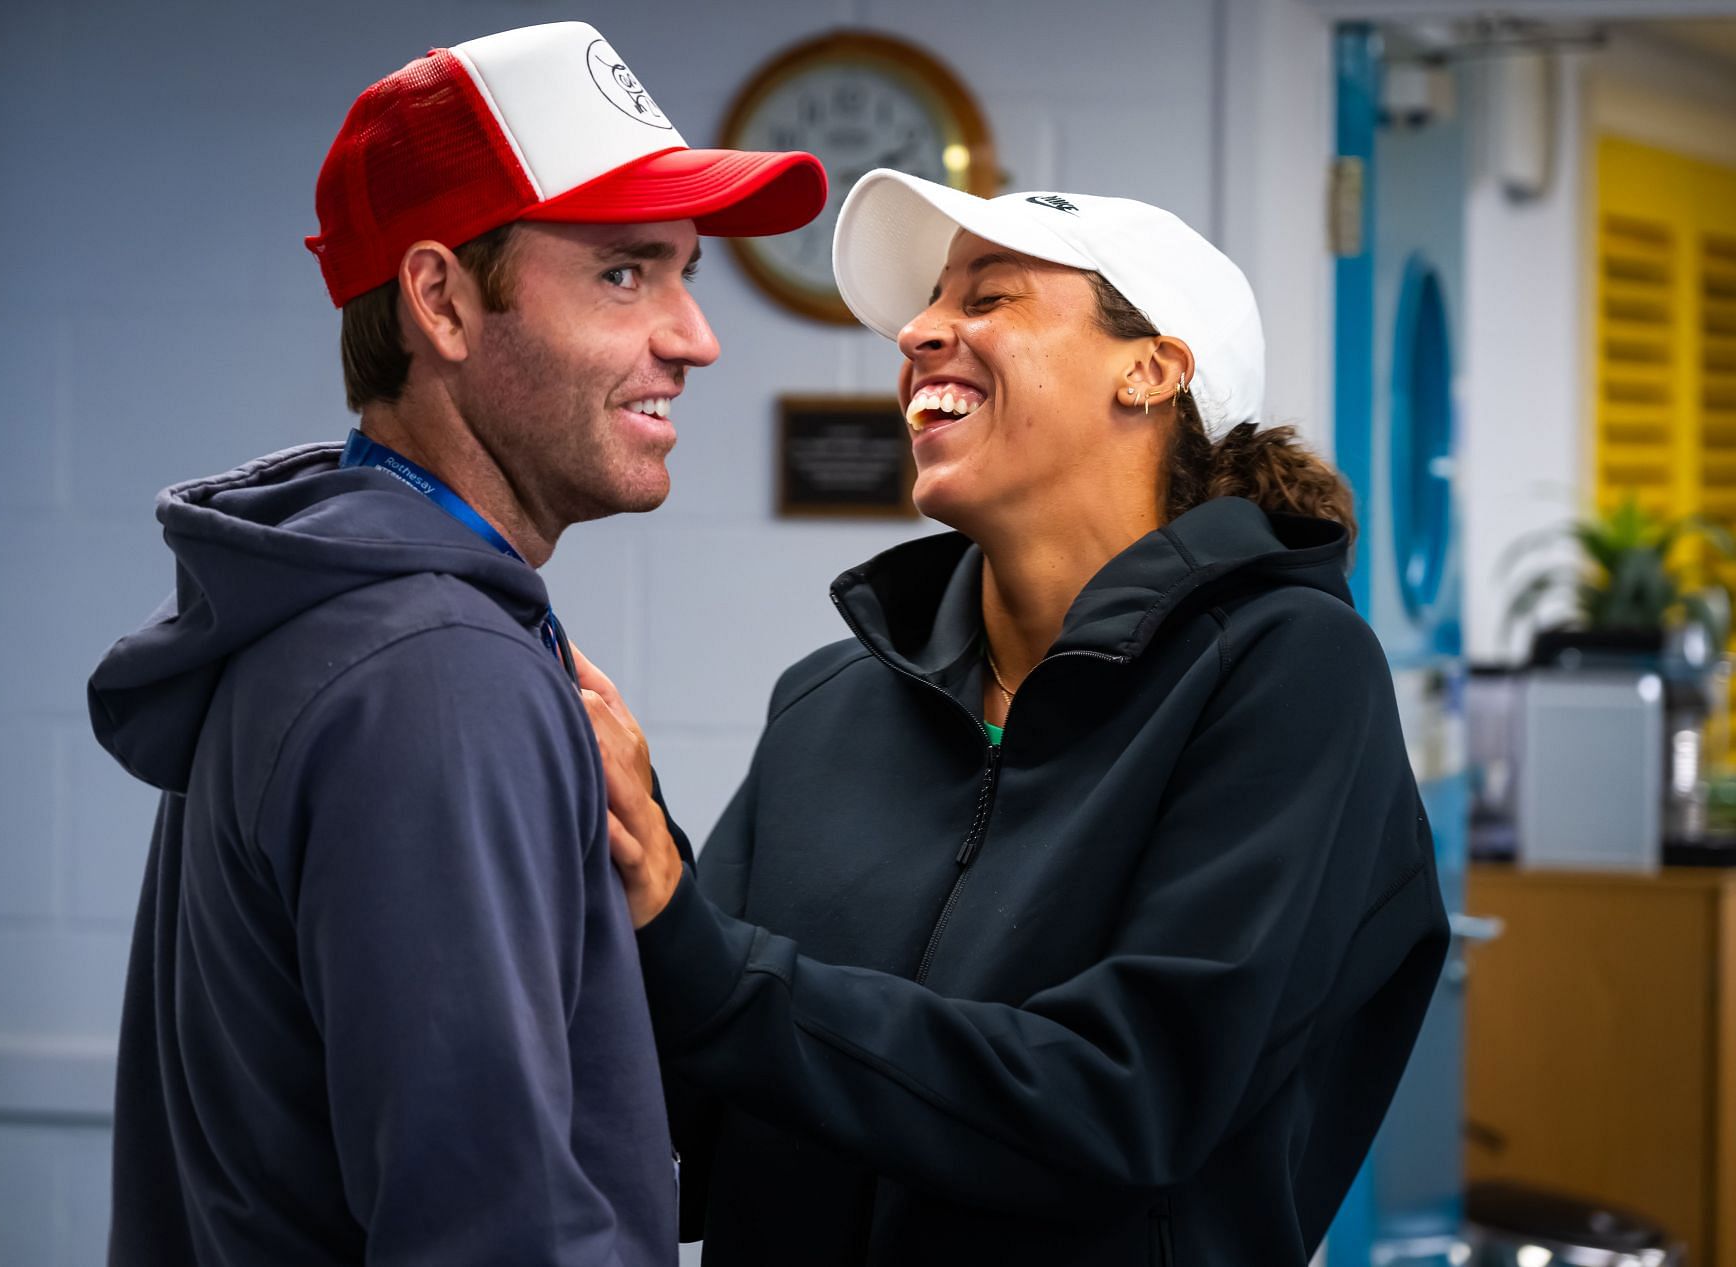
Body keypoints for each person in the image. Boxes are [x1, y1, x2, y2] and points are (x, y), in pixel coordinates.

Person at [578, 171, 1451, 1265]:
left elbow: (1128, 1101)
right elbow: (701, 1090)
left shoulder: (1288, 677)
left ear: (1151, 369)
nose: (921, 330)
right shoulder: (827, 702)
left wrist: (704, 955)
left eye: (988, 298)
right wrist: (616, 858)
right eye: (931, 302)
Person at [85, 22, 824, 1266]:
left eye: (686, 272)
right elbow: (491, 1234)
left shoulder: (335, 609)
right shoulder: (432, 672)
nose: (696, 338)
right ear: (439, 301)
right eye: (626, 274)